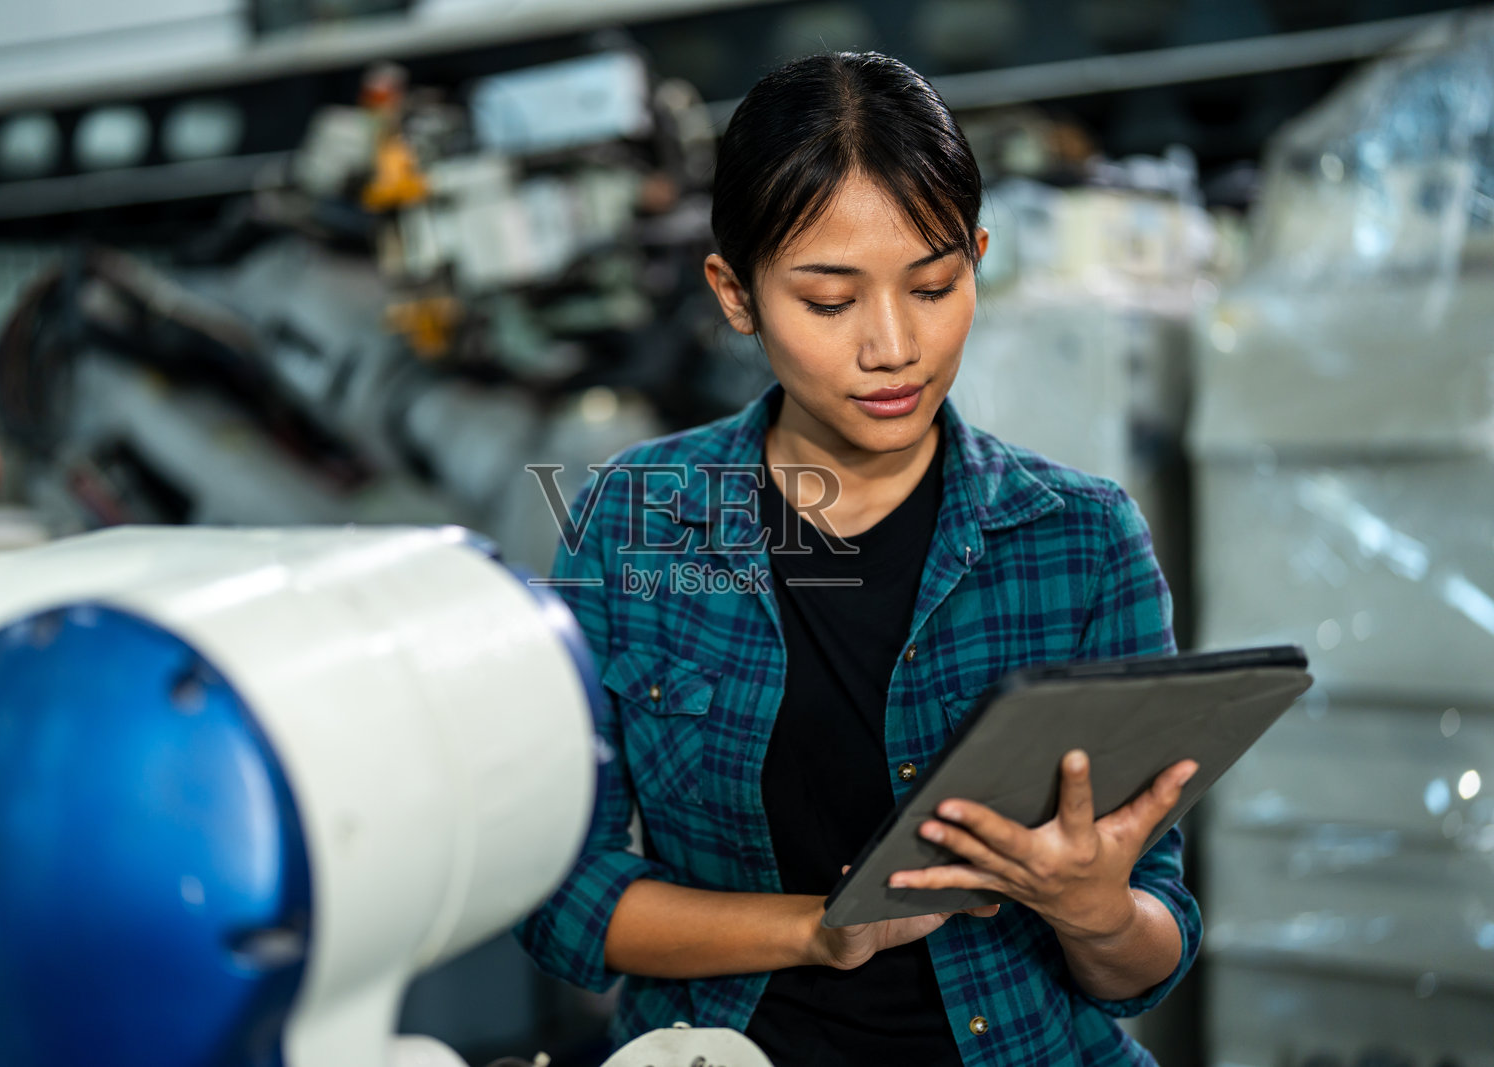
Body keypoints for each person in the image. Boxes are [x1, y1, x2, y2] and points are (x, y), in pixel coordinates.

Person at [515, 51, 1201, 1067]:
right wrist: (812, 927)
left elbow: (1147, 953)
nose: (894, 347)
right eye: (830, 302)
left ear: (974, 256)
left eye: (933, 285)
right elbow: (561, 892)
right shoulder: (638, 517)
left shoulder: (1081, 539)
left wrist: (1096, 910)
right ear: (734, 293)